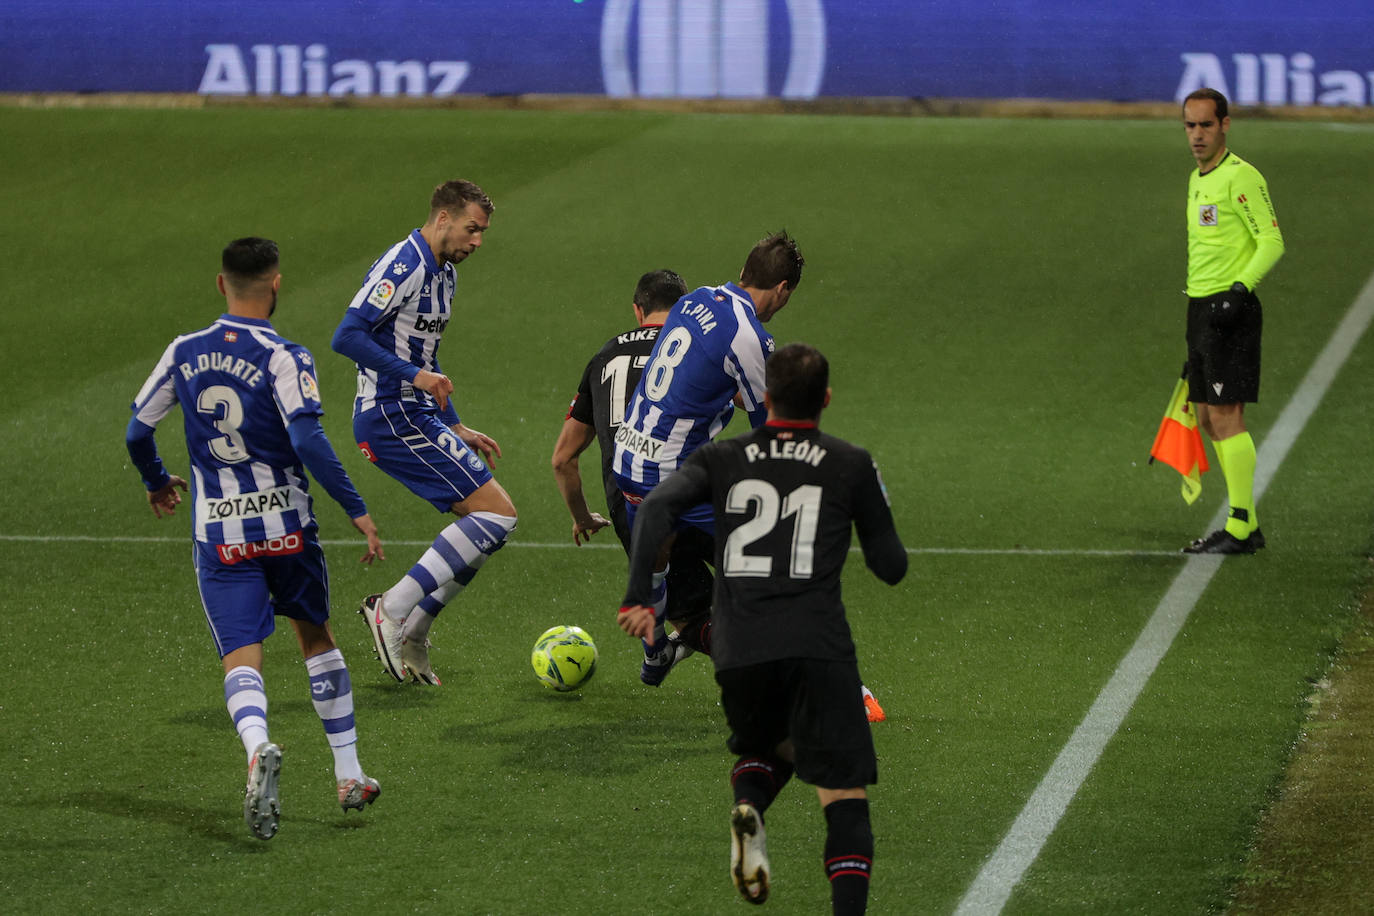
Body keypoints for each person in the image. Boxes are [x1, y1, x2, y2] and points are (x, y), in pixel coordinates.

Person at [617, 343, 907, 913]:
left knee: (773, 745)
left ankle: (749, 804)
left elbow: (653, 510)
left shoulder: (722, 458)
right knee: (844, 798)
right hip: (817, 645)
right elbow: (890, 568)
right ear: (825, 400)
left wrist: (640, 600)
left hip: (738, 646)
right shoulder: (850, 462)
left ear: (764, 397)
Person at [125, 237, 385, 841]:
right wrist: (356, 507)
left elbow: (138, 431)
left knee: (240, 652)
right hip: (287, 527)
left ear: (221, 284)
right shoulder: (284, 356)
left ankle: (258, 744)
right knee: (315, 637)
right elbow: (309, 441)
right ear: (276, 284)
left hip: (219, 534)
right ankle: (348, 773)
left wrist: (157, 481)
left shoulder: (183, 352)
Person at [332, 179, 517, 684]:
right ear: (442, 219)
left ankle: (414, 633)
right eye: (472, 228)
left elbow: (425, 356)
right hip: (389, 415)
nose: (478, 240)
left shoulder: (445, 274)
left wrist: (454, 421)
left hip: (419, 412)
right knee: (497, 516)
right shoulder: (405, 264)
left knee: (489, 530)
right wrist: (416, 379)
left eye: (482, 231)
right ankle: (391, 609)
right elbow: (346, 335)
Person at [609, 231, 803, 678]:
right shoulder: (750, 338)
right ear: (782, 290)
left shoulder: (694, 300)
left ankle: (654, 655)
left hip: (628, 459)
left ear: (742, 273)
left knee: (659, 560)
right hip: (673, 473)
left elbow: (696, 379)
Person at [550, 268, 715, 685]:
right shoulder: (697, 347)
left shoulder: (605, 355)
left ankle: (662, 653)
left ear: (637, 309)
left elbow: (563, 458)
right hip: (696, 490)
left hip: (632, 502)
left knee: (694, 616)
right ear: (685, 307)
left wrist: (583, 516)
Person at [1178, 87, 1284, 554]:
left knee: (1226, 416)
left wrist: (1239, 291)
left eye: (1205, 125)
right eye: (1190, 125)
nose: (1197, 135)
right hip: (1200, 308)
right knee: (1206, 418)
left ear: (1225, 124)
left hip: (1231, 310)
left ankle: (1239, 525)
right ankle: (1249, 522)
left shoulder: (1241, 178)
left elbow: (1272, 242)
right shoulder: (1197, 178)